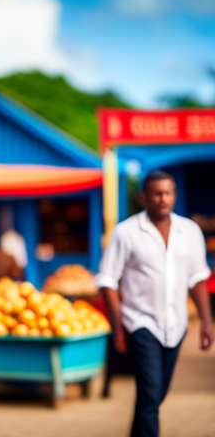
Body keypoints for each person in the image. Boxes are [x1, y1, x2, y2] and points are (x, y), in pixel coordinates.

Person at [97, 170, 213, 437]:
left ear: (174, 195)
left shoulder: (190, 231)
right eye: (157, 193)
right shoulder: (126, 233)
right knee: (150, 393)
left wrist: (206, 322)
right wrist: (118, 327)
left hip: (176, 324)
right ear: (144, 197)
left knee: (156, 394)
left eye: (168, 193)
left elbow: (197, 278)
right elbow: (107, 280)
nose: (163, 199)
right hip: (140, 323)